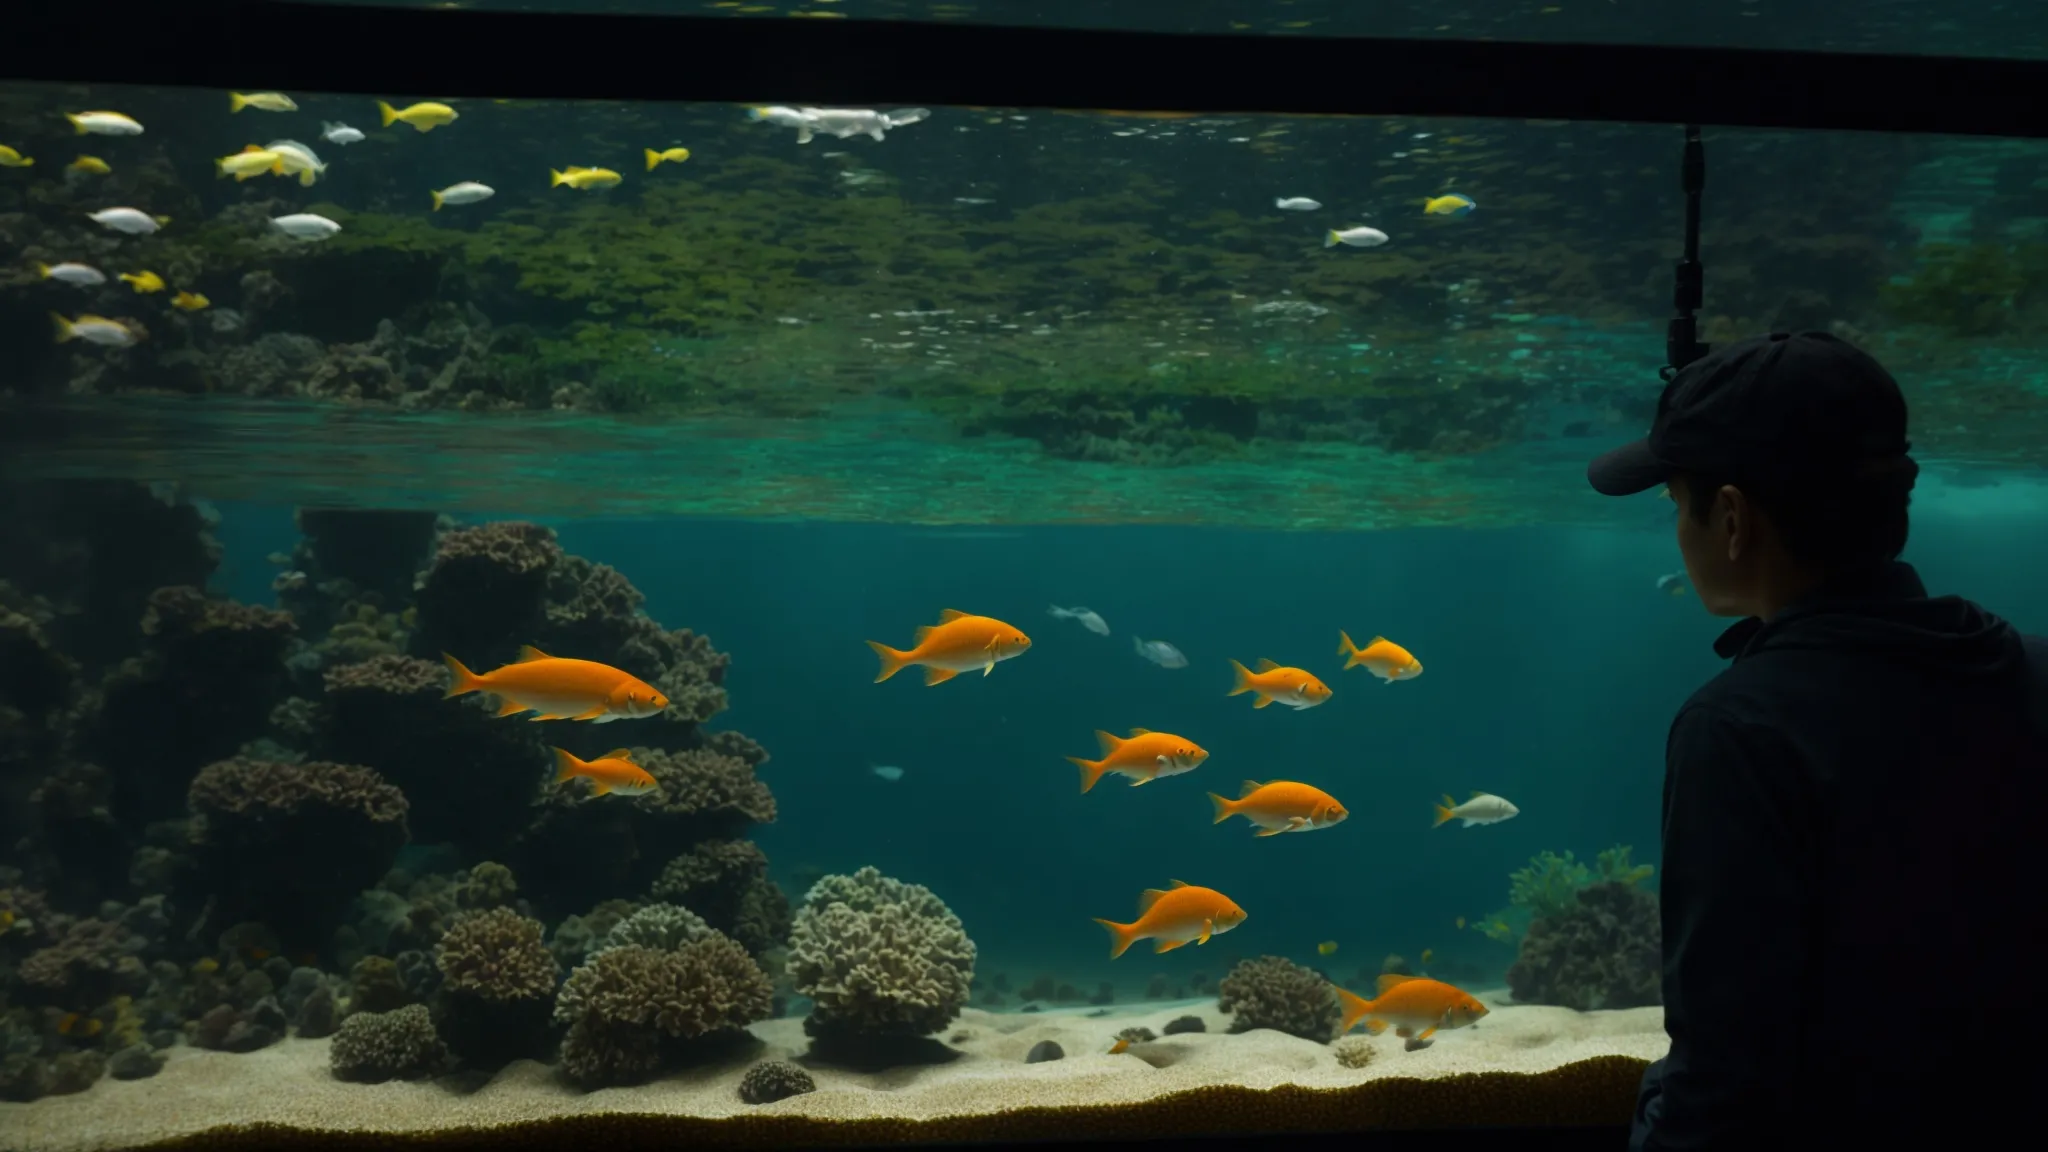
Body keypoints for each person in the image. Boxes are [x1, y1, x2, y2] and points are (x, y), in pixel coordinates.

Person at [1584, 331, 2047, 1149]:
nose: (1676, 533)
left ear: (1731, 518)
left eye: (1674, 503)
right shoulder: (2029, 670)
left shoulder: (1738, 730)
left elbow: (1723, 1078)